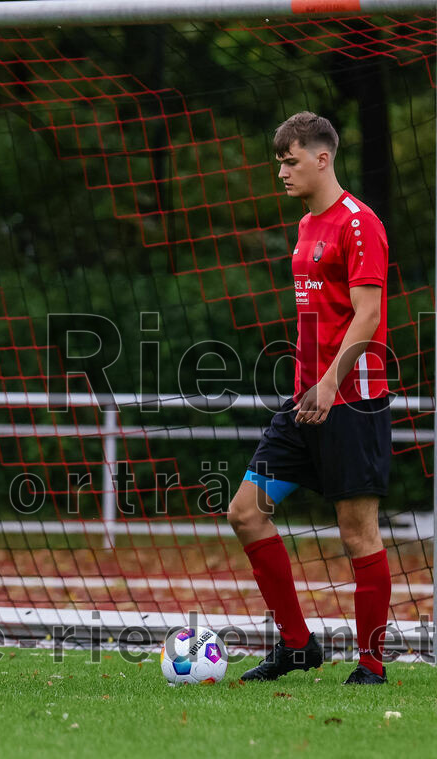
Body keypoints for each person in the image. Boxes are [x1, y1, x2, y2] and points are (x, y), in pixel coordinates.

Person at [227, 112, 392, 685]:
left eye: (290, 160)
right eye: (279, 162)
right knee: (246, 512)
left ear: (323, 158)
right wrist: (310, 386)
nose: (282, 172)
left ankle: (371, 663)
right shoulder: (304, 228)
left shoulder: (359, 224)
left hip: (352, 403)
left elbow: (368, 315)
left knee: (355, 534)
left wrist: (330, 382)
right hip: (305, 402)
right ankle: (297, 644)